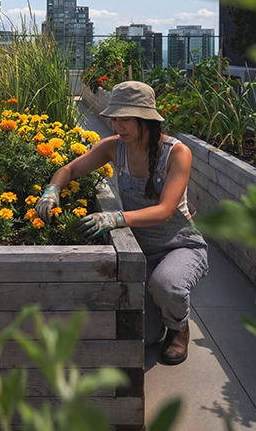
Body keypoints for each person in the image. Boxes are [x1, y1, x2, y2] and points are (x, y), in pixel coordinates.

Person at [36, 81, 209, 365]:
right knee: (147, 337)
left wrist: (116, 218)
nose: (118, 125)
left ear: (146, 119)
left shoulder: (177, 153)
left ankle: (179, 326)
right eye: (115, 118)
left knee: (166, 283)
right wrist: (51, 191)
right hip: (142, 251)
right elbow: (68, 169)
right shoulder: (114, 148)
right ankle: (164, 312)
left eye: (125, 118)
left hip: (180, 246)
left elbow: (165, 211)